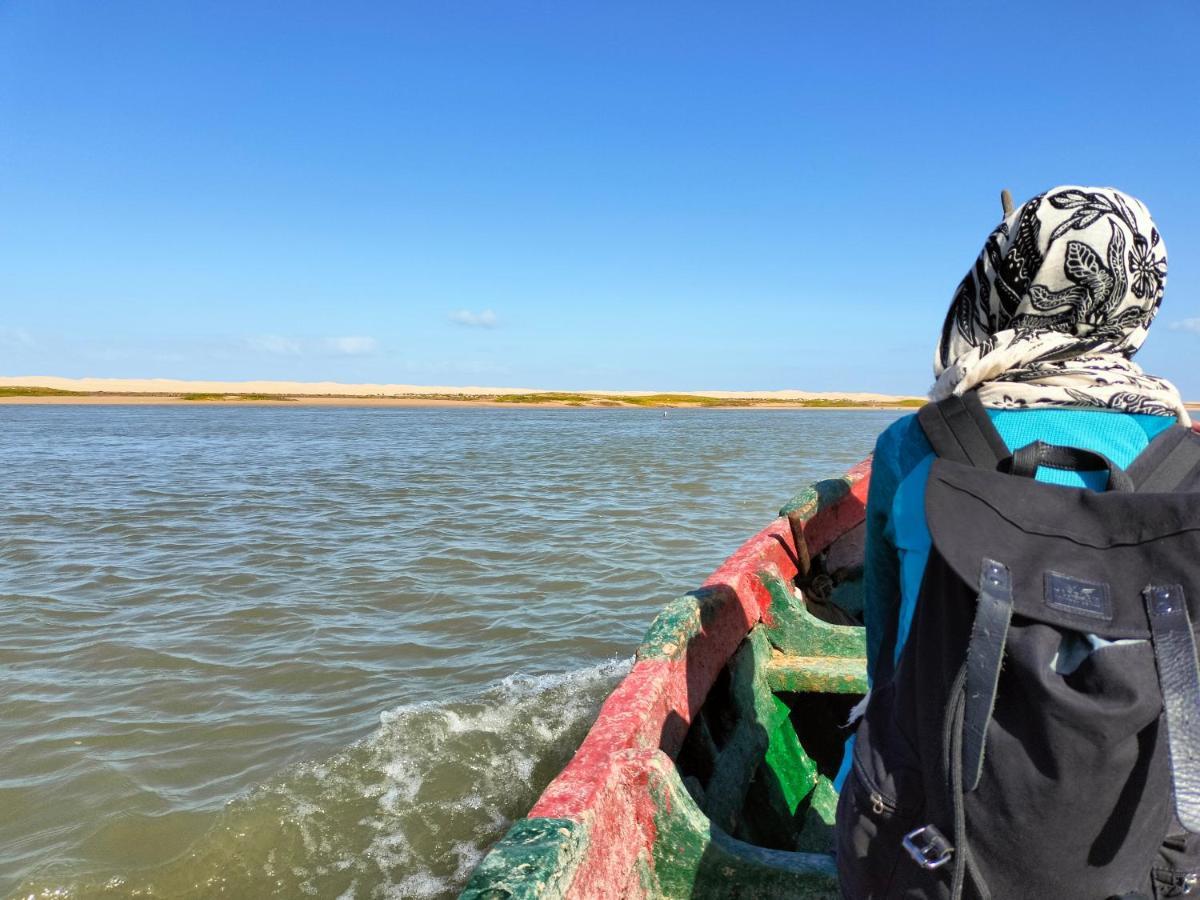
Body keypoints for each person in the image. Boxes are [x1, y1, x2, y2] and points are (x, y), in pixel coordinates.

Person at [834, 185, 1193, 898]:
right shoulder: (1190, 468)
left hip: (928, 846)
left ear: (1007, 277)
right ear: (1144, 292)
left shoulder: (915, 446)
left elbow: (886, 663)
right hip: (1146, 853)